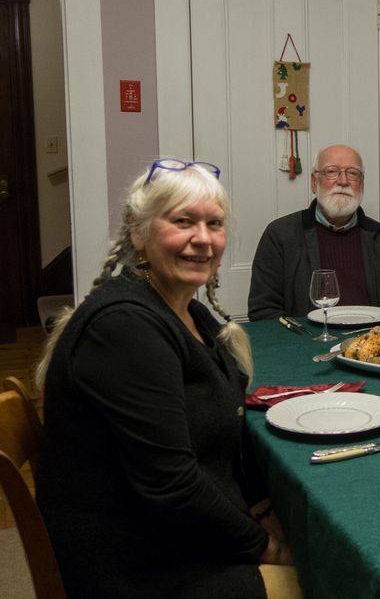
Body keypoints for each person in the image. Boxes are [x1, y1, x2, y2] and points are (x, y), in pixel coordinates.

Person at [35, 159, 300, 599]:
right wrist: (267, 546)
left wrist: (258, 503)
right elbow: (172, 485)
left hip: (169, 534)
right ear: (139, 232)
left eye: (214, 224)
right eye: (183, 221)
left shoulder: (186, 311)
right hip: (138, 565)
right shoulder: (123, 327)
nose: (202, 238)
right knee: (325, 575)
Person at [248, 144, 380, 320]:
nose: (343, 181)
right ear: (314, 182)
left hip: (371, 343)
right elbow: (263, 311)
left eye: (353, 173)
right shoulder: (280, 235)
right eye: (331, 171)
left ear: (362, 184)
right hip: (307, 343)